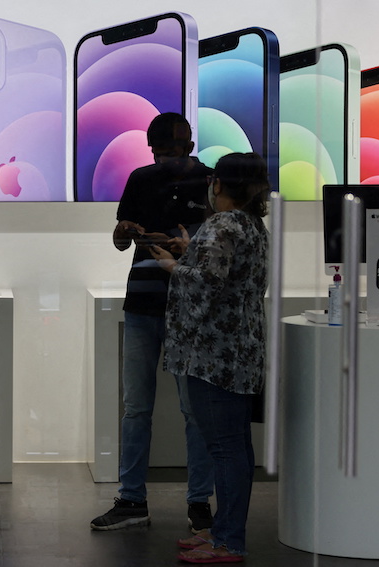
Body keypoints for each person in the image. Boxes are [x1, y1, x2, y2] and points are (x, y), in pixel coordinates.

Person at [90, 113, 215, 532]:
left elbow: (218, 242)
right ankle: (143, 501)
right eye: (163, 150)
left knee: (172, 408)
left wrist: (178, 245)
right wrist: (125, 230)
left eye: (169, 149)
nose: (166, 158)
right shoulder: (143, 180)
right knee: (144, 407)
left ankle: (188, 502)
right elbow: (121, 238)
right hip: (153, 302)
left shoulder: (210, 183)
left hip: (185, 303)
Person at [150, 152, 270, 563]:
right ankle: (222, 532)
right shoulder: (252, 225)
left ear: (218, 184)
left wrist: (172, 265)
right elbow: (226, 275)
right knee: (235, 446)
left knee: (225, 448)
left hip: (213, 356)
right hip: (242, 351)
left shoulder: (222, 224)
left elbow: (206, 284)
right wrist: (191, 252)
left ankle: (228, 541)